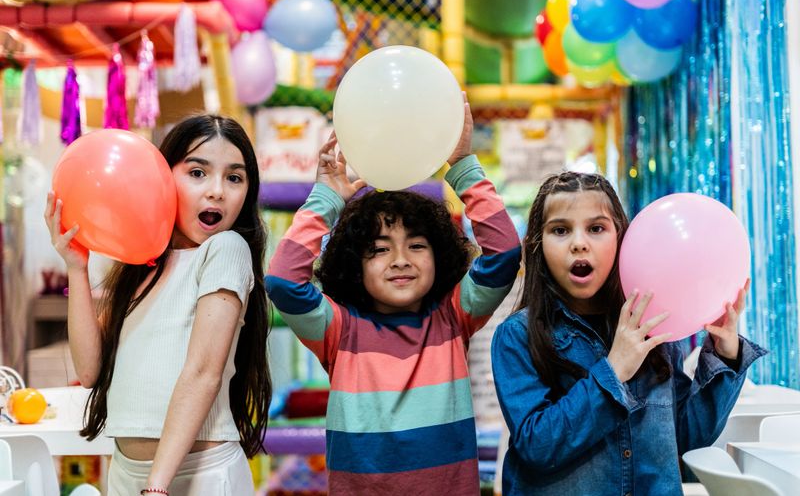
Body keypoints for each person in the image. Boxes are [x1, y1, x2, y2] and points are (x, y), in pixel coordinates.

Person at [266, 99, 521, 495]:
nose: (400, 260)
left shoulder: (453, 317)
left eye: (416, 245)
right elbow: (282, 281)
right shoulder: (339, 330)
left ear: (439, 255)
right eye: (380, 249)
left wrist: (464, 164)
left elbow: (504, 254)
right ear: (356, 263)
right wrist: (326, 199)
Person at [491, 171, 766, 495]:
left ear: (622, 239)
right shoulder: (517, 337)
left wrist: (724, 354)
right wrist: (613, 371)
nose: (579, 243)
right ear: (537, 244)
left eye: (596, 228)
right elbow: (537, 447)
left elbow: (686, 436)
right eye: (561, 230)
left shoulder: (654, 329)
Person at [45, 115, 272, 496]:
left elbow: (203, 372)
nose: (216, 191)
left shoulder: (226, 250)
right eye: (197, 173)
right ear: (162, 178)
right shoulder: (141, 267)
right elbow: (89, 372)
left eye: (234, 178)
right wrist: (76, 268)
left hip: (197, 477)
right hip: (127, 473)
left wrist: (156, 486)